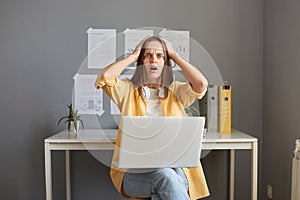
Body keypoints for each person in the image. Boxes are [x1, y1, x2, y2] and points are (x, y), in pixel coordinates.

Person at [95, 36, 209, 200]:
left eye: (159, 56)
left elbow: (201, 84)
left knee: (166, 184)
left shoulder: (176, 91)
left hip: (175, 168)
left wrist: (174, 54)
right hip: (132, 174)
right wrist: (134, 56)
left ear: (165, 62)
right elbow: (105, 77)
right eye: (148, 55)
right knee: (167, 177)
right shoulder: (127, 90)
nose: (153, 59)